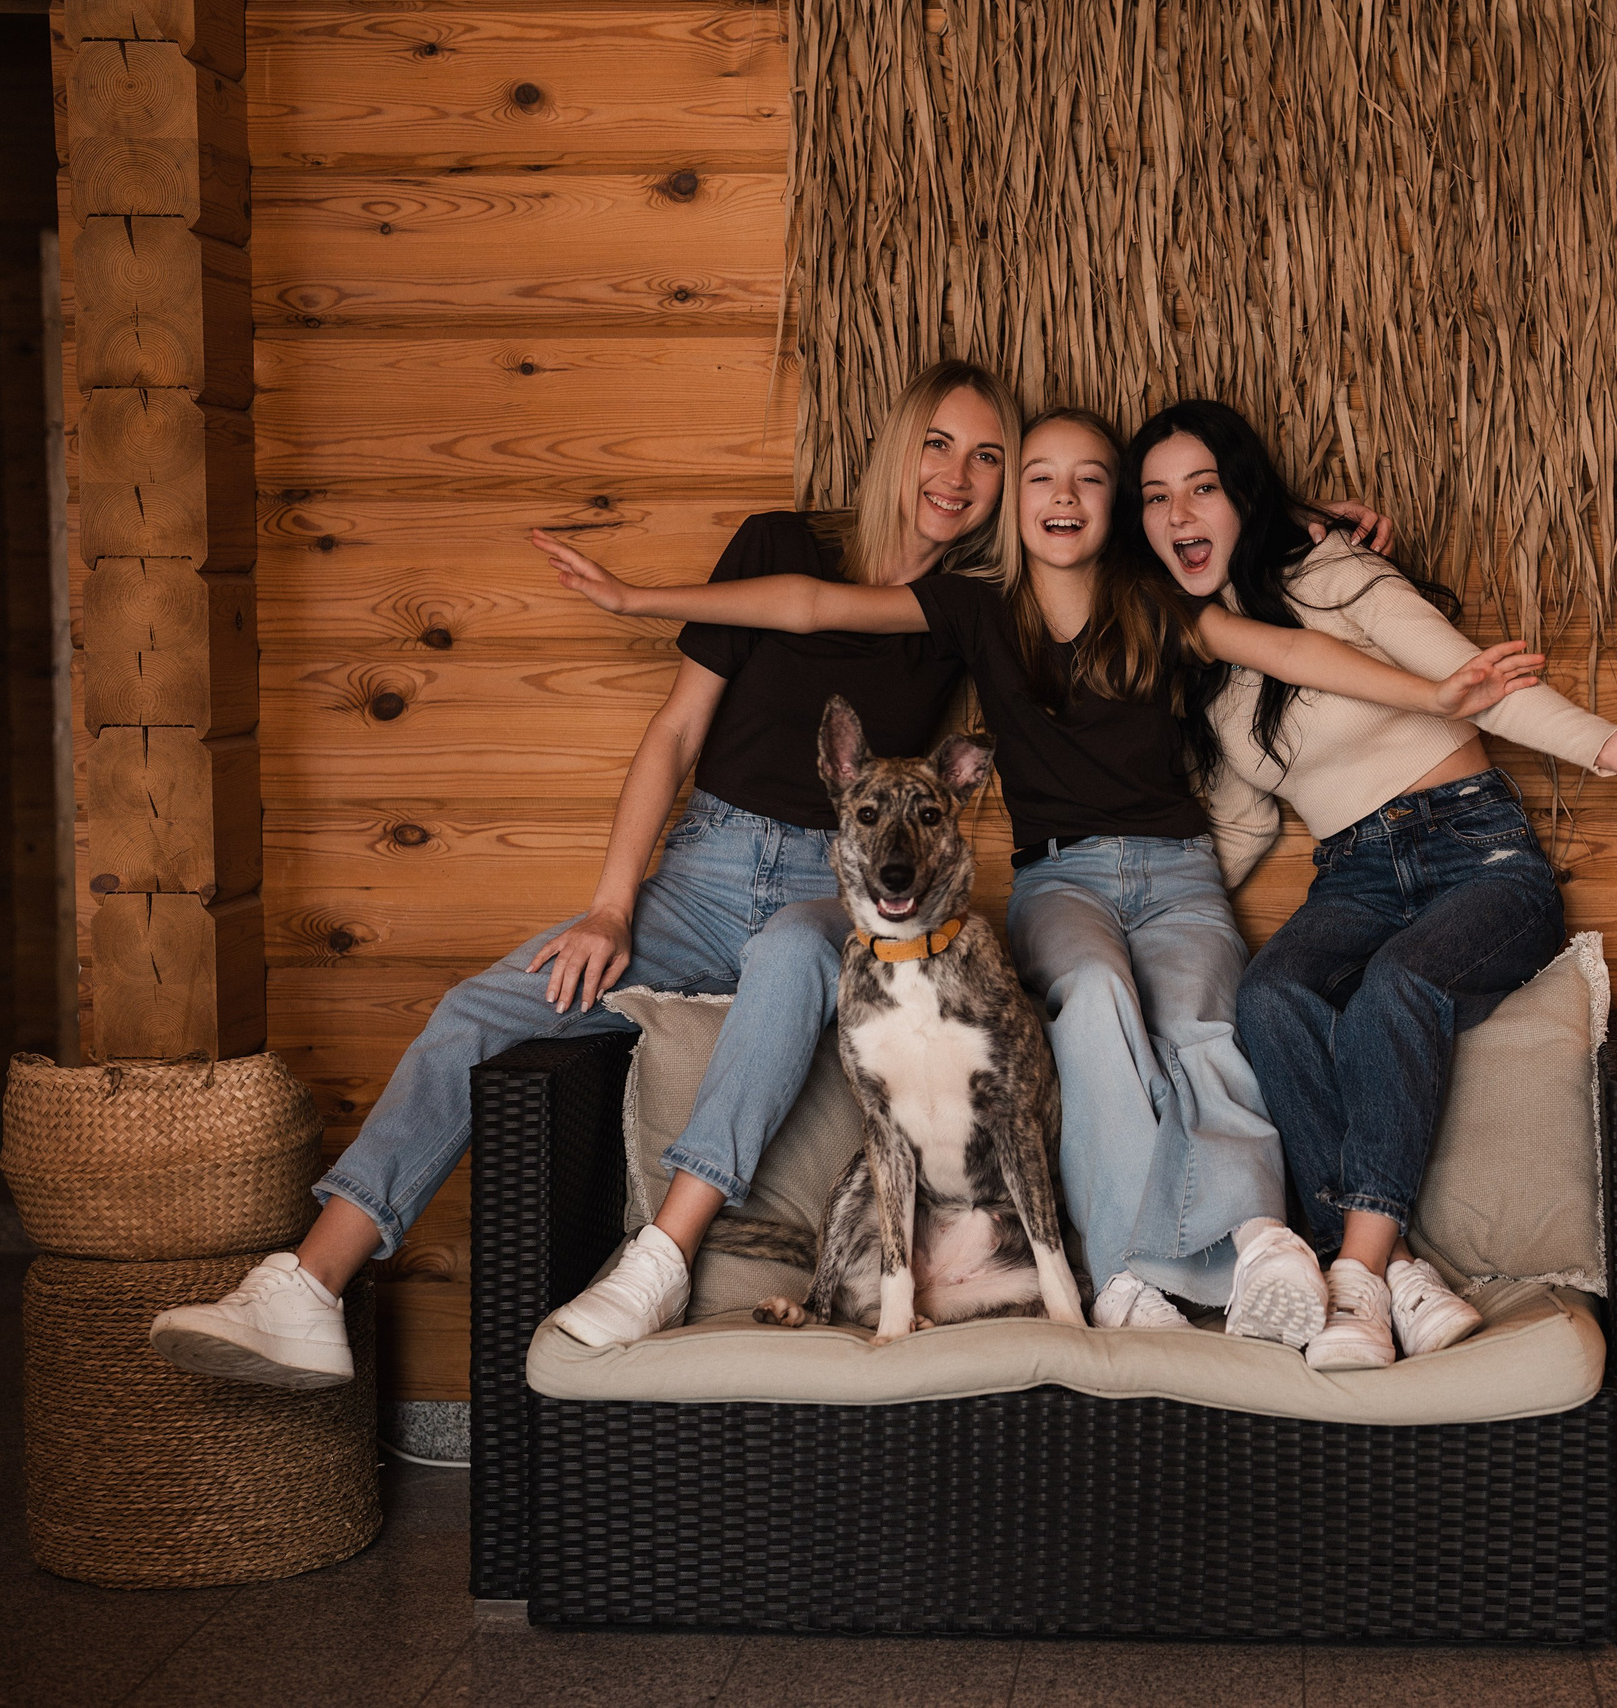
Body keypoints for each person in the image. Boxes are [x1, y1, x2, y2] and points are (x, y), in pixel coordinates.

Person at [540, 407, 1545, 1339]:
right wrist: (639, 597)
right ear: (1016, 504)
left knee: (1207, 1010)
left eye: (1092, 481)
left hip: (1179, 870)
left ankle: (1257, 1241)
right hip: (1060, 881)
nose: (1064, 498)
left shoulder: (1152, 603)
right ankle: (1129, 1273)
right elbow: (806, 603)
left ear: (1115, 510)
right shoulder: (976, 609)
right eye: (1041, 479)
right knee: (1096, 998)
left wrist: (1432, 688)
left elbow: (1287, 648)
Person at [149, 361, 1028, 1386]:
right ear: (899, 443)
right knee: (479, 1010)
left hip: (827, 889)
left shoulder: (962, 611)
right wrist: (612, 908)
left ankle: (661, 1257)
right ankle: (306, 1288)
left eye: (987, 457)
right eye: (938, 442)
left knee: (794, 953)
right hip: (698, 873)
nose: (956, 475)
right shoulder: (772, 540)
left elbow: (810, 612)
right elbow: (672, 734)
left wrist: (634, 597)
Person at [1130, 399, 1617, 1371]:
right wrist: (1141, 903)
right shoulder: (1206, 670)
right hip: (1354, 873)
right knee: (1271, 995)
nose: (1179, 514)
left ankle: (1356, 1280)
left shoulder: (1333, 576)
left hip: (1477, 852)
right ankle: (1401, 1270)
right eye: (1157, 497)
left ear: (1242, 498)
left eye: (1202, 487)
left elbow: (1473, 676)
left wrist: (1606, 745)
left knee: (1396, 990)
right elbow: (1239, 826)